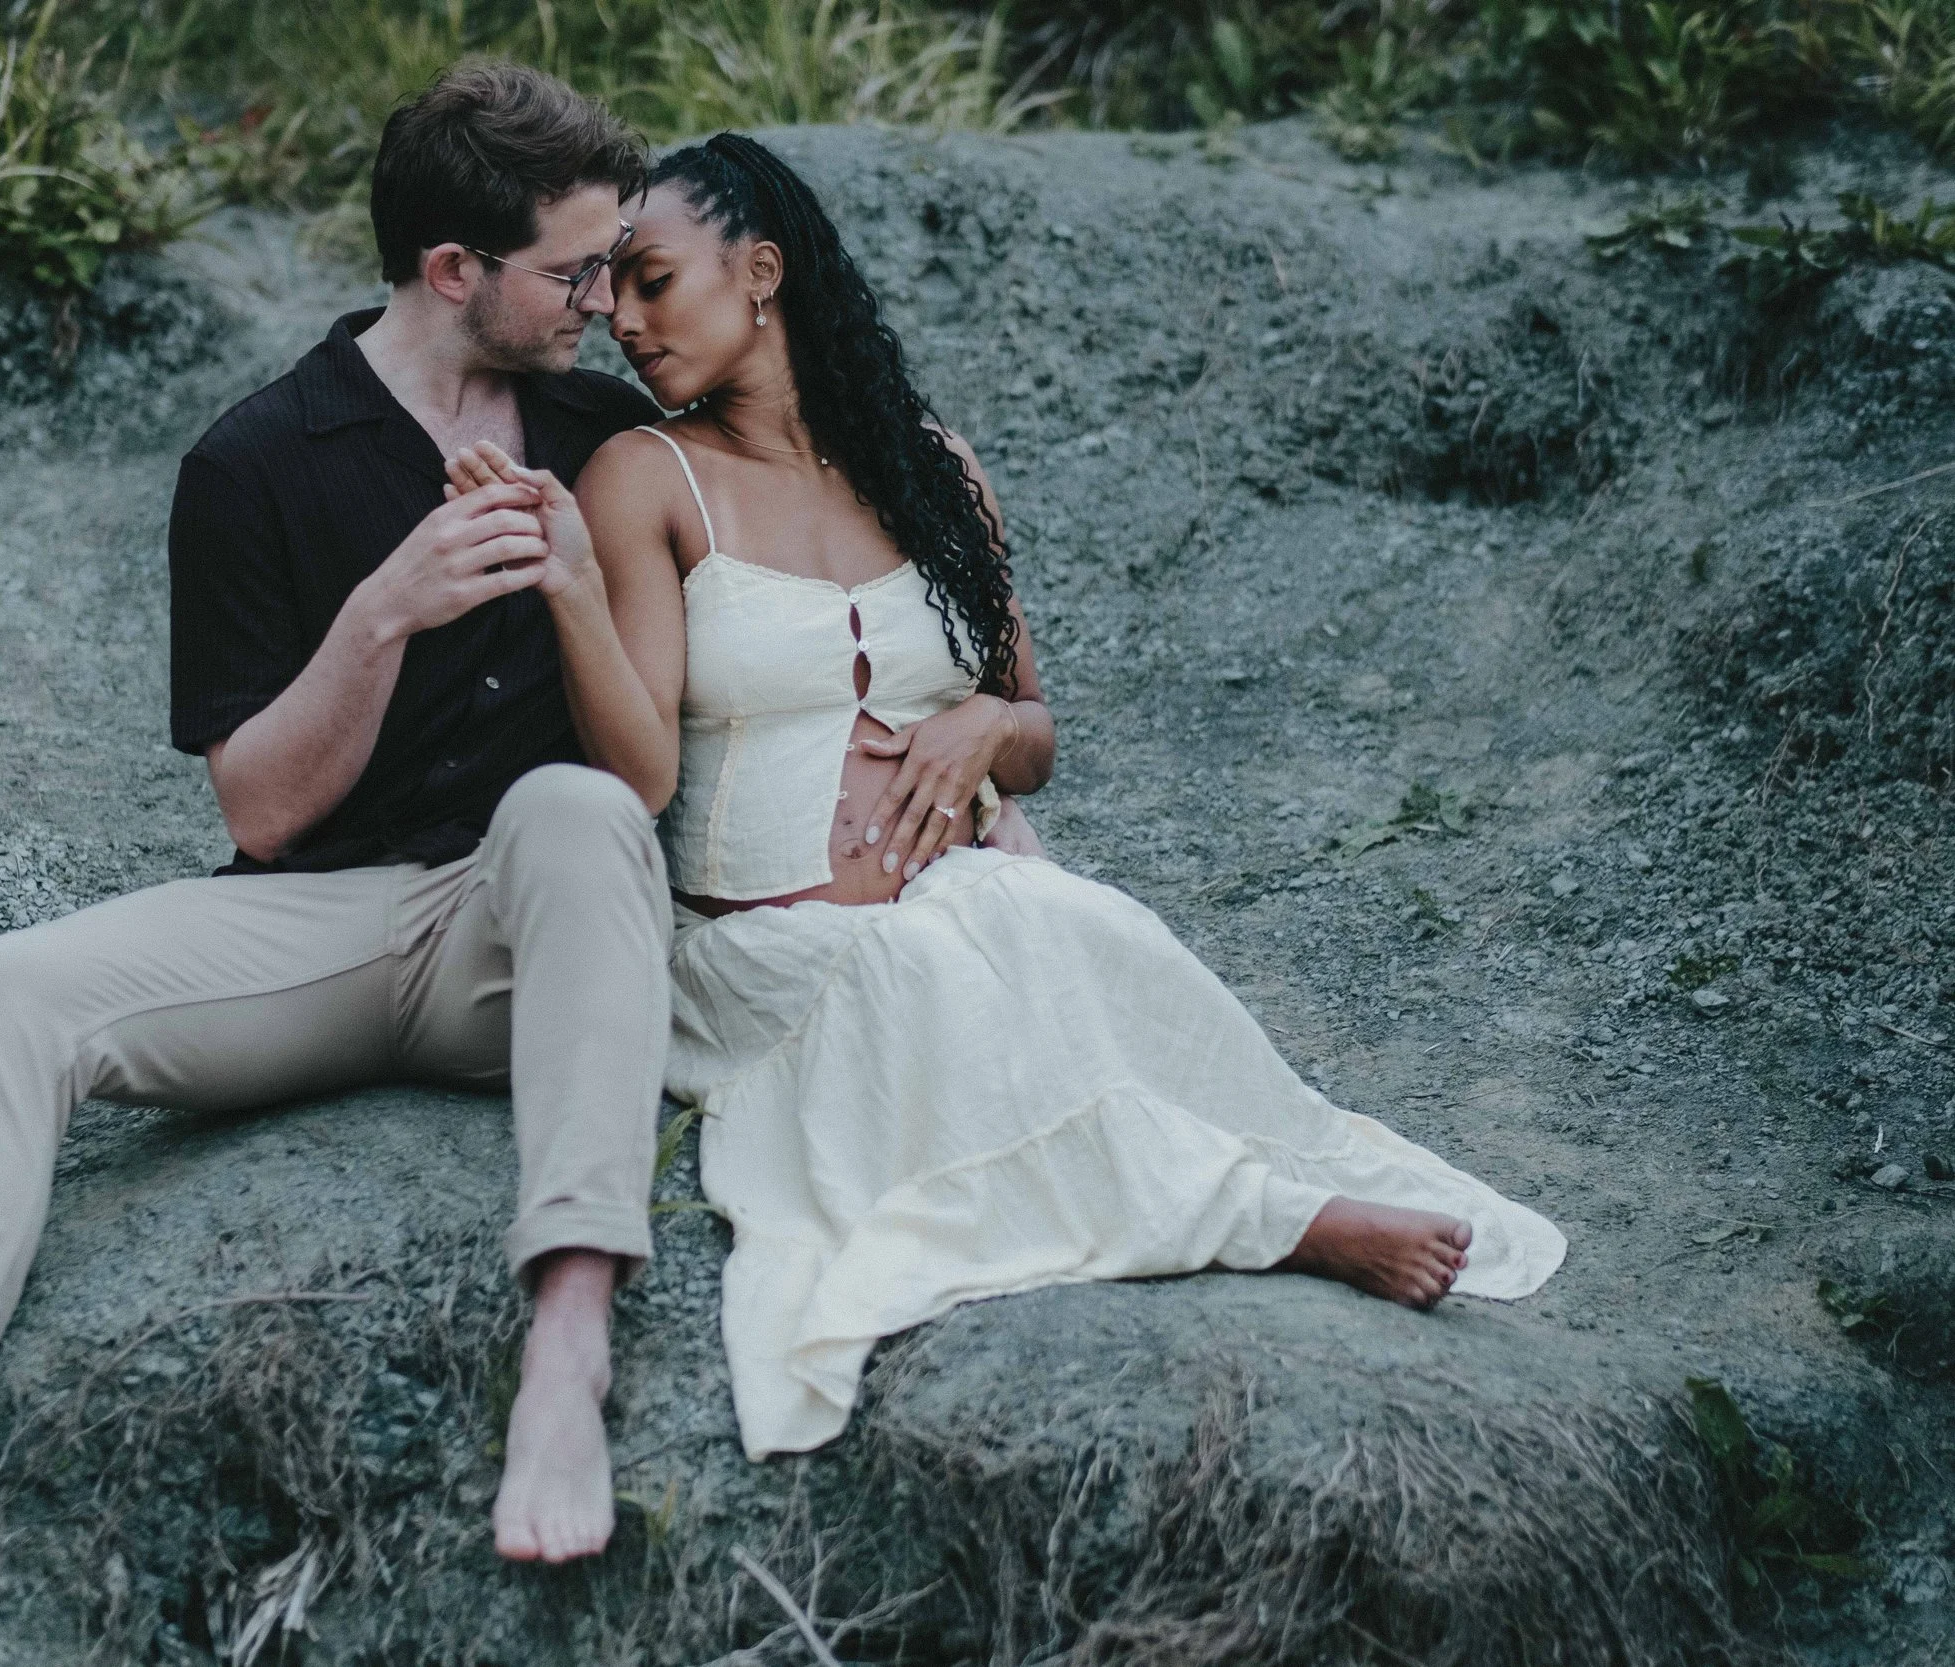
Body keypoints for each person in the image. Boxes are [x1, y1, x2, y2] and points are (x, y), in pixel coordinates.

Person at [0, 67, 677, 1633]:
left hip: (541, 932)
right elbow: (261, 814)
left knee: (570, 808)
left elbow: (682, 719)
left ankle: (565, 1353)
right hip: (334, 920)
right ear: (452, 271)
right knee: (2, 988)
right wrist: (387, 608)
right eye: (571, 271)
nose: (602, 300)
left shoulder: (603, 423)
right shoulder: (258, 460)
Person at [444, 132, 1568, 1461]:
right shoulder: (649, 478)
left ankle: (1268, 1174)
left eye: (652, 280)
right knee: (946, 1000)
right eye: (611, 290)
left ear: (760, 272)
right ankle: (1290, 1227)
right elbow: (639, 777)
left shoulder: (932, 468)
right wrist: (571, 585)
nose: (623, 321)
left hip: (954, 899)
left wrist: (979, 724)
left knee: (1102, 949)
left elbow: (1037, 732)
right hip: (761, 954)